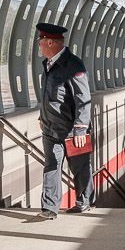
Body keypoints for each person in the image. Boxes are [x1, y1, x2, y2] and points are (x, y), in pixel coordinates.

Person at [35, 22, 94, 220]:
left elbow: (83, 98)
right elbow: (49, 95)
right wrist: (42, 116)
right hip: (50, 129)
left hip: (72, 130)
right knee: (51, 166)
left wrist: (80, 129)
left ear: (50, 42)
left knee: (80, 167)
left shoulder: (73, 65)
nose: (39, 45)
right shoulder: (48, 64)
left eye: (40, 42)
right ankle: (49, 208)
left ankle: (83, 201)